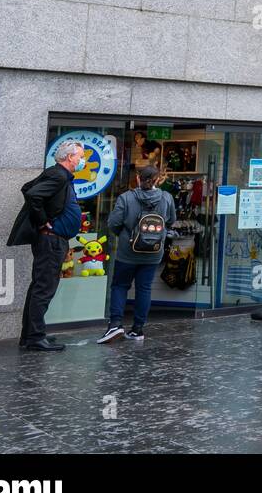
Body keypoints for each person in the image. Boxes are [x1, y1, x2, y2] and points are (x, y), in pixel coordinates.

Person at [10, 140, 86, 353]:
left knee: (39, 287)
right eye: (80, 157)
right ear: (70, 157)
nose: (83, 161)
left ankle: (30, 335)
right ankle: (35, 337)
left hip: (53, 240)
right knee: (44, 288)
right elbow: (32, 193)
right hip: (51, 240)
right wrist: (43, 221)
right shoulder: (58, 175)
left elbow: (28, 188)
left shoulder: (58, 175)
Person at [98, 165, 176, 344]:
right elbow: (171, 221)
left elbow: (113, 223)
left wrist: (124, 236)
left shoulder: (126, 197)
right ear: (157, 180)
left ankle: (115, 324)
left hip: (127, 251)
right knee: (144, 288)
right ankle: (138, 329)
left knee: (119, 285)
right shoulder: (166, 197)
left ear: (138, 178)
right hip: (154, 252)